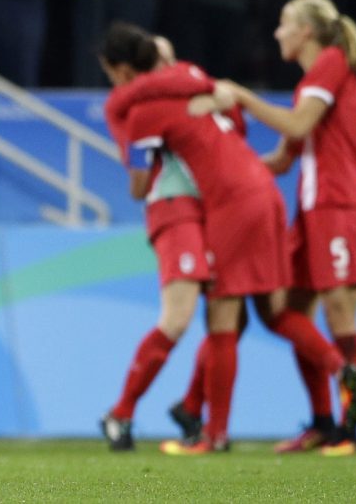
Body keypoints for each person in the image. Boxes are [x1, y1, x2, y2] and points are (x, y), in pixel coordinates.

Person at [101, 22, 356, 454]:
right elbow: (232, 124)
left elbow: (138, 175)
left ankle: (213, 435)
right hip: (264, 191)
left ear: (124, 70)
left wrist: (121, 117)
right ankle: (338, 368)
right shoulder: (208, 91)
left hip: (232, 205)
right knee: (273, 310)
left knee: (221, 318)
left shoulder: (149, 108)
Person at [215, 0, 356, 454]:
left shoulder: (330, 63)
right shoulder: (311, 81)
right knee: (282, 309)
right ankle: (324, 421)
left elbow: (298, 123)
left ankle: (349, 427)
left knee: (339, 314)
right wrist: (222, 175)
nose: (277, 33)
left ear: (305, 31)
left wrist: (243, 96)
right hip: (311, 212)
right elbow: (284, 158)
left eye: (283, 23)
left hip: (341, 206)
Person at [96, 31, 220, 451]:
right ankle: (122, 411)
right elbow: (139, 182)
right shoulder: (147, 107)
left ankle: (191, 406)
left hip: (219, 207)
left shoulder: (159, 94)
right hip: (175, 207)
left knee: (228, 317)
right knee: (178, 318)